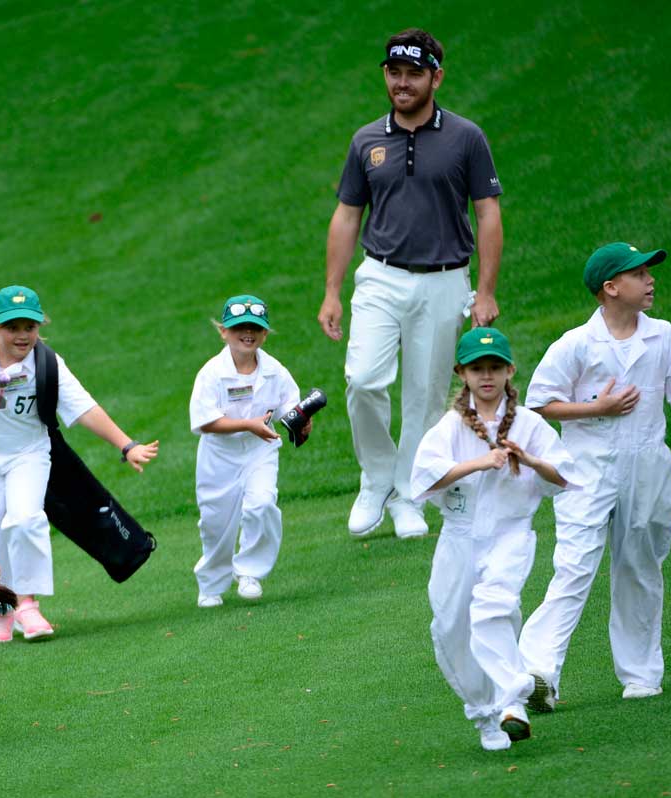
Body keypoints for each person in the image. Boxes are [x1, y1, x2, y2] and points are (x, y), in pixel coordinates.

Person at [317, 28, 504, 539]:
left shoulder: (466, 137)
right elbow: (347, 216)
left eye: (413, 74)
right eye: (394, 73)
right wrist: (332, 291)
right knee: (363, 379)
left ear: (435, 78)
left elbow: (488, 214)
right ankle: (376, 480)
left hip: (445, 281)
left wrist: (485, 290)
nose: (402, 83)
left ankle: (408, 494)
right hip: (380, 276)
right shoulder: (366, 140)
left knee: (424, 395)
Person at [518, 243, 671, 711]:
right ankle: (537, 672)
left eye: (648, 273)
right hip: (586, 471)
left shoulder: (663, 335)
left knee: (639, 568)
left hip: (647, 469)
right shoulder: (575, 344)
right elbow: (539, 402)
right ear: (610, 287)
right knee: (574, 567)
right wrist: (597, 408)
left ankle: (641, 674)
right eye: (639, 274)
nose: (650, 281)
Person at [0, 285, 158, 642]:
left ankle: (27, 604)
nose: (22, 335)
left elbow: (85, 409)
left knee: (25, 520)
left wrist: (127, 445)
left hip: (27, 455)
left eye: (30, 326)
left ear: (40, 325)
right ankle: (1, 611)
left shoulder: (47, 365)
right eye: (12, 327)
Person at [411, 328, 580, 750]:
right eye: (477, 369)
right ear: (462, 373)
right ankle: (486, 715)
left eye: (494, 367)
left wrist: (530, 460)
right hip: (459, 537)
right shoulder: (450, 427)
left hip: (510, 534)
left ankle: (512, 699)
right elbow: (425, 478)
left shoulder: (529, 424)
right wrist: (479, 463)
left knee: (494, 609)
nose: (486, 376)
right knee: (450, 627)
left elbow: (564, 476)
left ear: (509, 370)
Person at [189, 295, 304, 608]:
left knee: (262, 504)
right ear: (224, 332)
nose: (247, 333)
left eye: (255, 328)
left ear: (265, 334)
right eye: (240, 327)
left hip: (260, 450)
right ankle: (211, 585)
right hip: (218, 455)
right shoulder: (211, 373)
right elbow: (204, 422)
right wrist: (248, 424)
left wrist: (300, 422)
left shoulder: (275, 371)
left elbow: (289, 407)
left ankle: (250, 572)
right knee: (215, 523)